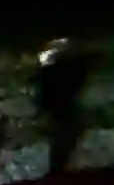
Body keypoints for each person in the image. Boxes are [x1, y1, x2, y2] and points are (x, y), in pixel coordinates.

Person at [35, 43, 93, 175]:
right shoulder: (64, 70)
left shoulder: (51, 70)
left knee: (63, 139)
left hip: (60, 108)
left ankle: (59, 169)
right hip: (62, 108)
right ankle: (59, 169)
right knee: (65, 138)